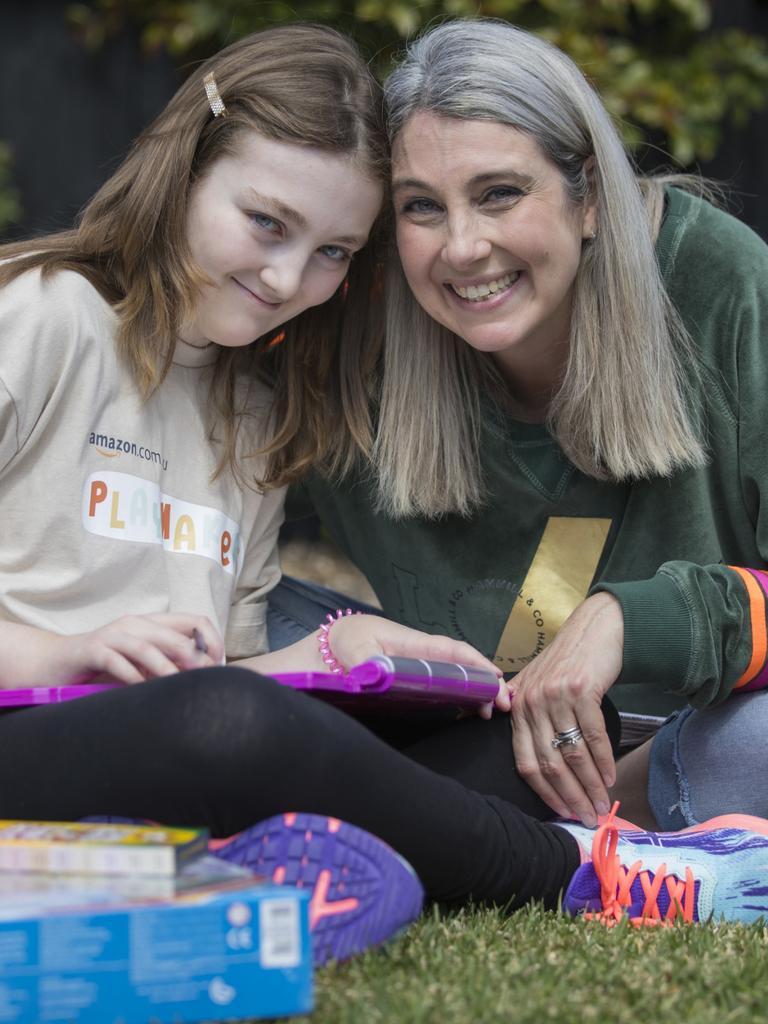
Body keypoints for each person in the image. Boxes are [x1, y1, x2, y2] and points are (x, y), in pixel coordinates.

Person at [3, 19, 767, 956]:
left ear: (592, 198)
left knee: (511, 743)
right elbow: (211, 704)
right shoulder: (43, 320)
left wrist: (340, 654)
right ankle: (584, 874)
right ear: (183, 168)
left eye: (331, 252)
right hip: (57, 721)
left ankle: (295, 860)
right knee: (228, 722)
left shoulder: (250, 408)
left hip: (168, 751)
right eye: (266, 224)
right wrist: (69, 655)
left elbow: (227, 671)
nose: (287, 277)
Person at [274, 19, 768, 843]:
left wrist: (626, 618)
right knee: (230, 626)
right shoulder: (350, 324)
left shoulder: (723, 286)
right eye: (421, 208)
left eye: (500, 193)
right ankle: (472, 810)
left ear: (591, 198)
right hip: (456, 720)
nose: (463, 248)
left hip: (693, 736)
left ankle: (525, 816)